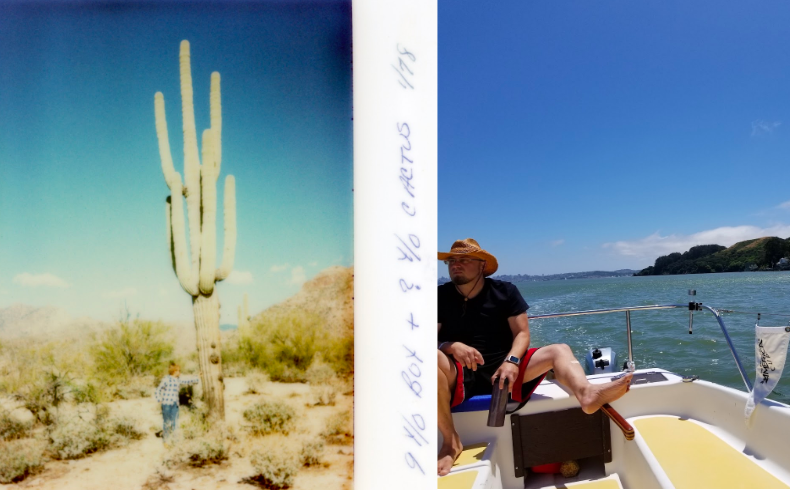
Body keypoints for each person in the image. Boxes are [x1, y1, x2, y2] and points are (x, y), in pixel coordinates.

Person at [437, 238, 633, 476]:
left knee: (559, 349)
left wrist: (512, 361)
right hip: (460, 372)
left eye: (464, 259)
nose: (456, 264)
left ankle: (587, 394)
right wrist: (451, 345)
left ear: (481, 265)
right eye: (452, 261)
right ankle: (451, 441)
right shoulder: (439, 296)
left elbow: (522, 334)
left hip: (505, 371)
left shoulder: (505, 291)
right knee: (432, 357)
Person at [155, 363, 199, 445]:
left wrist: (198, 377)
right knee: (167, 422)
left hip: (175, 404)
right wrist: (159, 399)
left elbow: (188, 380)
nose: (180, 372)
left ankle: (175, 440)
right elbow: (158, 389)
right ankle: (166, 440)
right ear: (174, 371)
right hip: (167, 404)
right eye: (179, 371)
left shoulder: (178, 379)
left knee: (175, 422)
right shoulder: (166, 379)